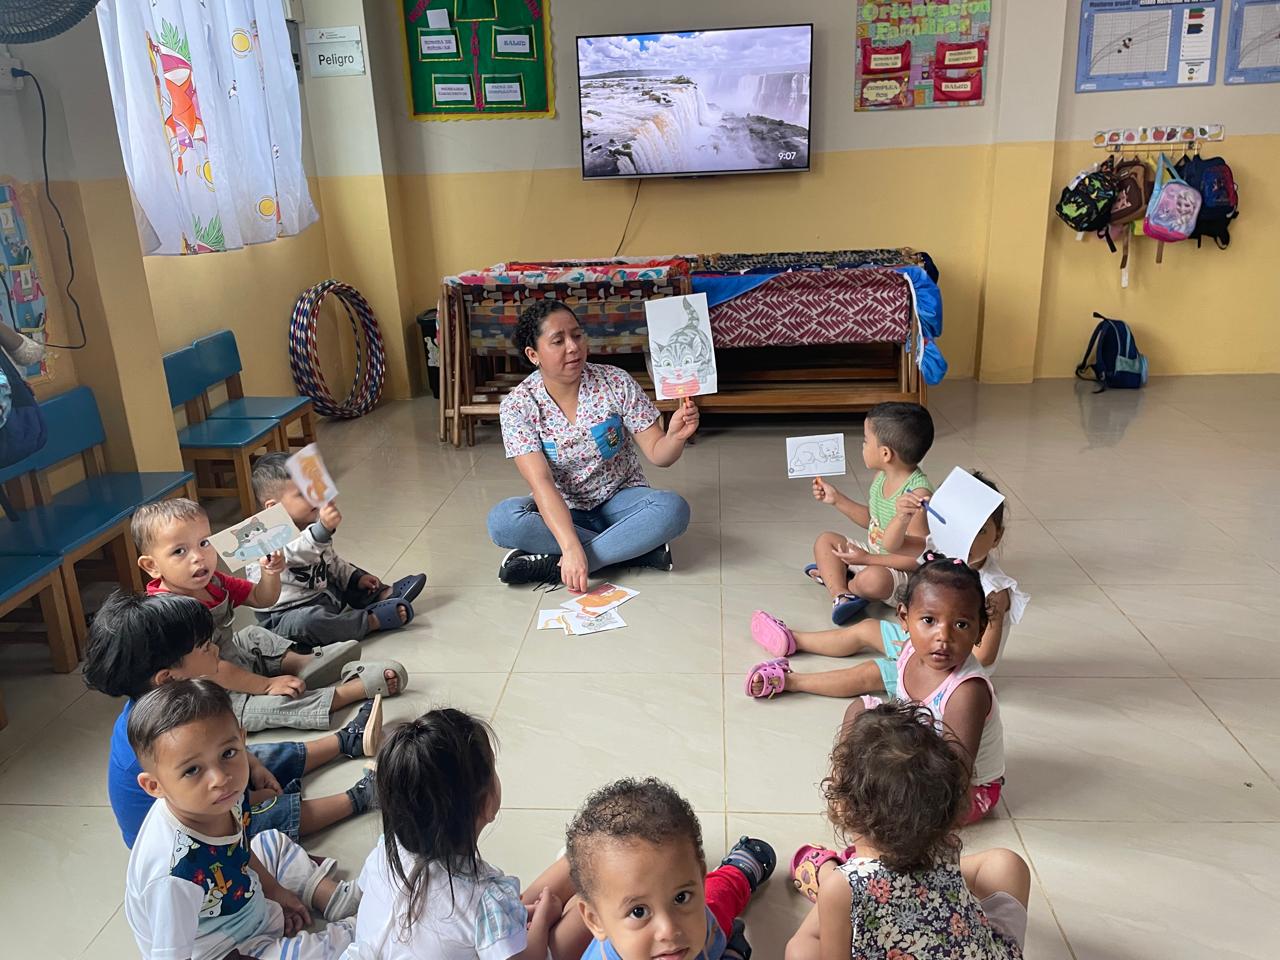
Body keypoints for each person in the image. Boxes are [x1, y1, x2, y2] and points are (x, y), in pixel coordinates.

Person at [83, 590, 383, 848]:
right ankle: (360, 797)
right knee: (267, 815)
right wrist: (251, 798)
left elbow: (222, 760)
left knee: (246, 753)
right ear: (168, 678)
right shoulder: (164, 739)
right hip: (192, 838)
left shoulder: (174, 707)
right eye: (205, 648)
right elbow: (206, 805)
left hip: (205, 792)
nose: (215, 649)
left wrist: (253, 765)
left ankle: (345, 741)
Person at [754, 558, 1007, 824]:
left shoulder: (967, 691)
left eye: (961, 625)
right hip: (919, 751)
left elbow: (956, 779)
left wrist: (896, 778)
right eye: (929, 620)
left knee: (898, 808)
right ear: (904, 618)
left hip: (966, 789)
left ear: (980, 631)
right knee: (859, 710)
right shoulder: (909, 651)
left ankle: (871, 806)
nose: (943, 636)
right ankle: (843, 786)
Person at [124, 679, 360, 960]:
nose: (220, 778)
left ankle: (330, 896)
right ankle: (358, 929)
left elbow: (241, 848)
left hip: (243, 900)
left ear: (242, 739)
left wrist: (275, 890)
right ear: (154, 786)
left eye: (228, 753)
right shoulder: (173, 876)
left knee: (272, 842)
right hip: (224, 950)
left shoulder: (220, 799)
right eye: (192, 770)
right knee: (306, 954)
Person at [132, 498, 408, 732]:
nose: (198, 557)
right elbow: (212, 669)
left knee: (252, 635)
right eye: (179, 551)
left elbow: (262, 599)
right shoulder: (169, 613)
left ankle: (301, 663)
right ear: (152, 566)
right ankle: (346, 693)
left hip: (226, 659)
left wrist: (270, 573)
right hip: (205, 689)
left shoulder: (213, 581)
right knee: (241, 711)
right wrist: (265, 686)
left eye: (204, 543)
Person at [747, 473, 1028, 700]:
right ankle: (794, 640)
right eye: (958, 526)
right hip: (926, 643)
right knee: (867, 629)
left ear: (997, 536)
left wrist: (923, 647)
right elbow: (895, 545)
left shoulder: (993, 590)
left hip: (952, 672)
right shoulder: (942, 549)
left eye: (980, 530)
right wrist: (903, 517)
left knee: (871, 673)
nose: (967, 539)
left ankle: (790, 682)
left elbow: (983, 656)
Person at [783, 702, 1029, 960]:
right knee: (1006, 864)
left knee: (801, 948)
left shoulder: (840, 888)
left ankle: (835, 870)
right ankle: (877, 875)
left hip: (849, 888)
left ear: (843, 806)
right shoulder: (944, 847)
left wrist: (839, 889)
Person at [486, 299, 698, 592]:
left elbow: (658, 454)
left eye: (577, 335)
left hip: (621, 502)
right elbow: (541, 483)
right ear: (533, 354)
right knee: (503, 521)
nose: (573, 347)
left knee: (672, 509)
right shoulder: (517, 406)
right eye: (558, 341)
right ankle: (633, 550)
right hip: (563, 511)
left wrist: (674, 437)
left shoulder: (615, 381)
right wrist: (569, 545)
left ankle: (559, 565)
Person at [351, 708, 591, 959]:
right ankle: (594, 876)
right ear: (486, 803)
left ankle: (585, 858)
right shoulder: (483, 899)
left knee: (515, 906)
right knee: (586, 905)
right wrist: (543, 920)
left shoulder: (384, 853)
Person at [566, 777, 776, 960]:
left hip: (709, 930)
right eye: (638, 912)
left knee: (721, 896)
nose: (669, 930)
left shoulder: (698, 911)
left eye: (681, 897)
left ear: (700, 877)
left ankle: (737, 872)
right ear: (595, 920)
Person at [250, 452, 427, 646]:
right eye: (302, 494)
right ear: (273, 507)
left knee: (347, 572)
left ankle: (381, 594)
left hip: (322, 595)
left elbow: (330, 561)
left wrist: (355, 578)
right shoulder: (261, 540)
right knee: (309, 623)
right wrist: (322, 530)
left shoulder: (310, 525)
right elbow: (297, 552)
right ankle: (371, 621)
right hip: (286, 616)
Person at [806, 402, 935, 624]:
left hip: (901, 572)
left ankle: (844, 581)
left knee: (873, 580)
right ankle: (840, 593)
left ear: (885, 453)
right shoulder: (881, 477)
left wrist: (867, 559)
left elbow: (919, 559)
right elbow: (872, 520)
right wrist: (837, 499)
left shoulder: (917, 497)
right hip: (872, 555)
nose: (863, 446)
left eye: (866, 440)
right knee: (826, 540)